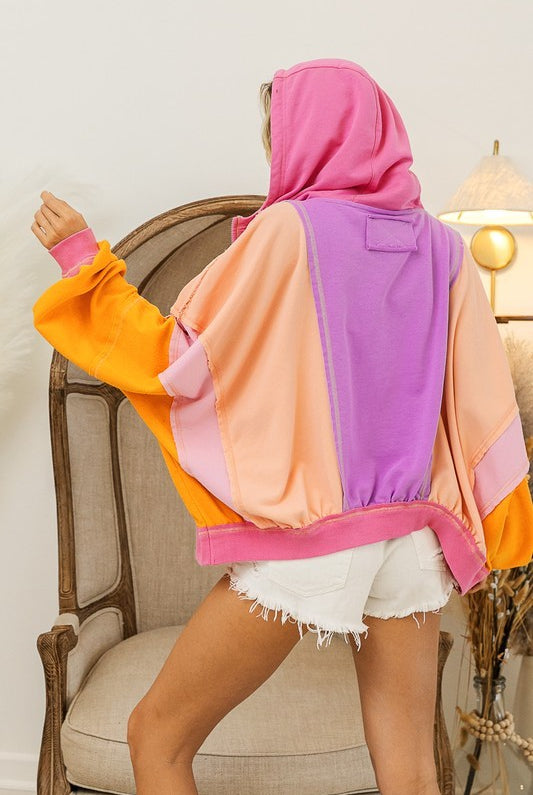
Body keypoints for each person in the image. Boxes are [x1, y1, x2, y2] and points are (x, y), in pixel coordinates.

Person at [31, 58, 533, 795]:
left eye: (278, 132)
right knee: (411, 771)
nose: (275, 151)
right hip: (414, 540)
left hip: (314, 543)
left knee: (156, 738)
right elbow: (481, 404)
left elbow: (180, 357)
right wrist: (502, 523)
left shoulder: (288, 232)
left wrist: (82, 260)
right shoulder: (442, 248)